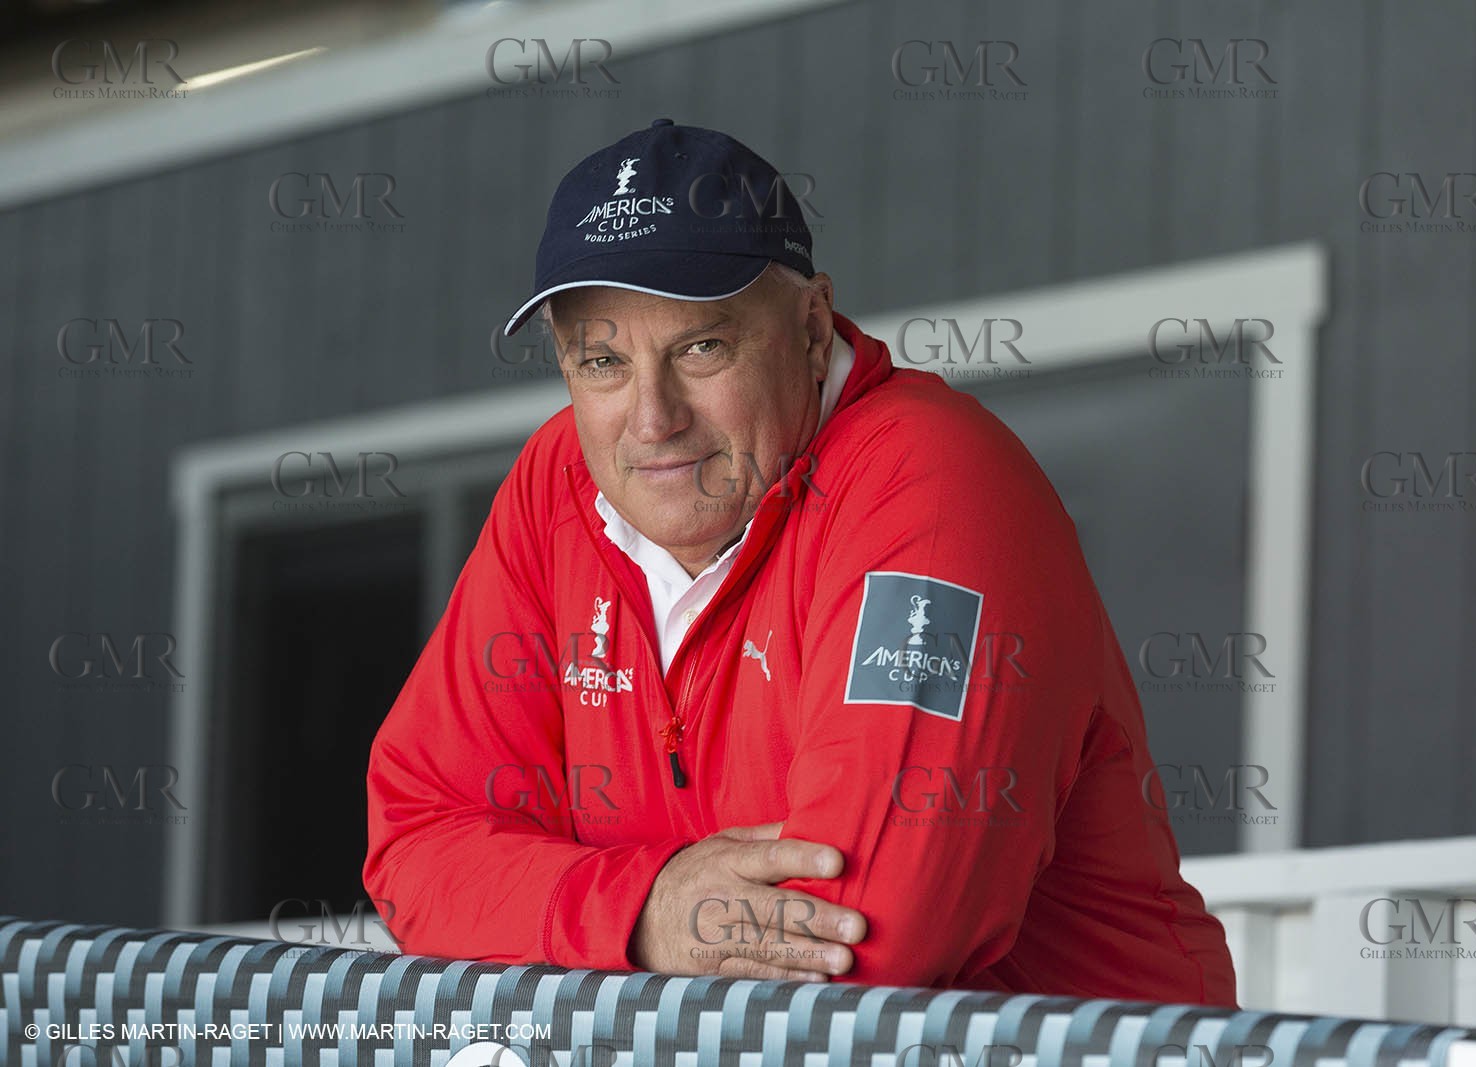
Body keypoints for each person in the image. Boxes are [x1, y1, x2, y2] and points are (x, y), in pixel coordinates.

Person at [363, 118, 1237, 1003]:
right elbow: (415, 838)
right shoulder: (558, 483)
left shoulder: (932, 482)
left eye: (701, 347)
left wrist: (583, 906)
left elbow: (869, 928)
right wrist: (649, 910)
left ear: (813, 329)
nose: (652, 418)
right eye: (602, 361)